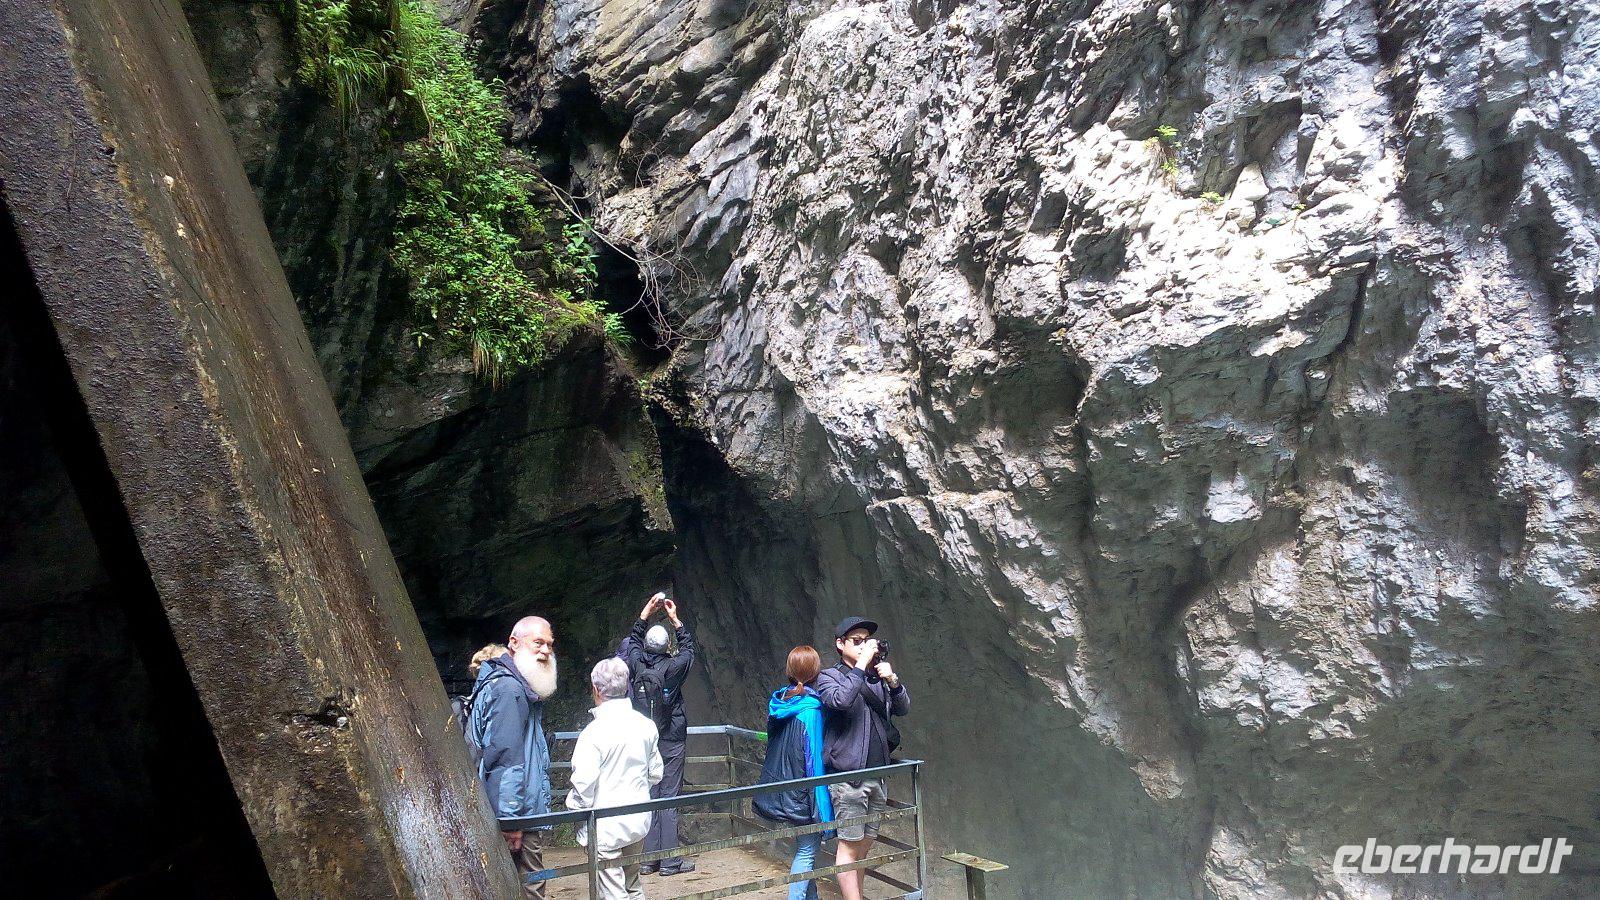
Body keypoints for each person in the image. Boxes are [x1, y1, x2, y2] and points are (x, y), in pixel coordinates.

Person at [815, 616, 909, 900]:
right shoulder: (828, 677)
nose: (863, 646)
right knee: (849, 845)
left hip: (877, 775)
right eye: (856, 642)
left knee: (865, 845)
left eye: (867, 642)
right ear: (840, 643)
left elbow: (902, 709)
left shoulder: (875, 678)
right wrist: (859, 667)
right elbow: (840, 701)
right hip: (848, 778)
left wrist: (892, 680)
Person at [470, 618, 558, 899]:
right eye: (538, 643)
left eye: (549, 645)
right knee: (530, 888)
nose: (545, 651)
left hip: (513, 813)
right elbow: (505, 759)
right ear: (514, 642)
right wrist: (510, 821)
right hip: (516, 817)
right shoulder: (510, 690)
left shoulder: (513, 687)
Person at [567, 657, 664, 900]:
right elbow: (656, 773)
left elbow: (583, 787)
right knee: (633, 884)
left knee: (612, 893)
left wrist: (576, 814)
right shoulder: (646, 726)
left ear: (596, 689)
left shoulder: (592, 734)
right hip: (638, 819)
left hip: (607, 826)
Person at [615, 592, 696, 875]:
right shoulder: (675, 667)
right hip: (671, 737)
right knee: (670, 798)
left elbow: (633, 643)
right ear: (667, 646)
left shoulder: (637, 664)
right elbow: (689, 649)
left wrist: (644, 613)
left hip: (645, 737)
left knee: (650, 794)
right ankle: (670, 862)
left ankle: (649, 860)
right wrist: (675, 620)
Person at [753, 646, 835, 900]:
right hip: (803, 795)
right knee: (807, 852)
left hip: (784, 789)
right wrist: (822, 808)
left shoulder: (780, 703)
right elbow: (814, 763)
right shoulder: (811, 710)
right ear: (815, 672)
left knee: (804, 850)